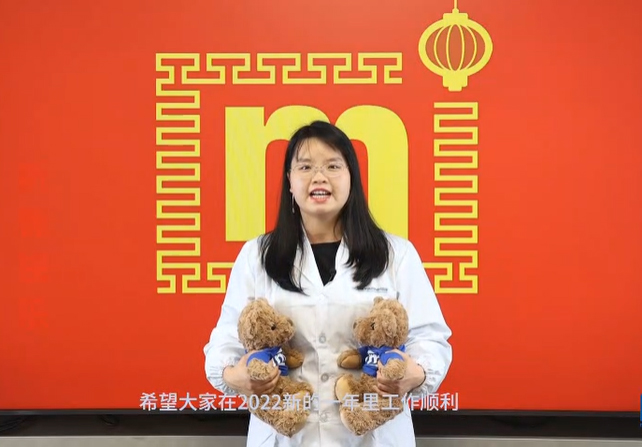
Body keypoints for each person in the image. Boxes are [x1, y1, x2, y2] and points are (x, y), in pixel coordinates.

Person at [203, 121, 453, 446]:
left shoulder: (396, 254)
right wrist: (232, 375)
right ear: (289, 181)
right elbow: (226, 340)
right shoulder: (257, 256)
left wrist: (415, 373)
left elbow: (430, 338)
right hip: (284, 435)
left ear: (352, 178)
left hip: (374, 435)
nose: (319, 177)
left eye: (333, 166)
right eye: (305, 167)